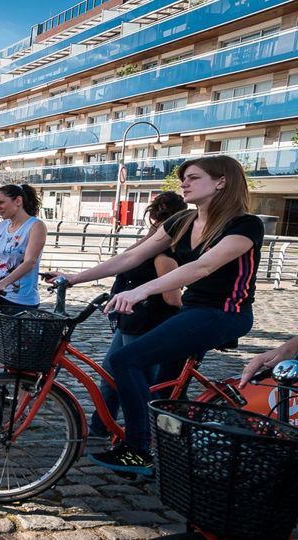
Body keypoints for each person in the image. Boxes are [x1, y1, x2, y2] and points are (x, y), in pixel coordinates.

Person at [51, 155, 263, 476]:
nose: (184, 184)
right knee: (163, 387)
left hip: (224, 314)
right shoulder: (183, 221)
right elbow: (132, 256)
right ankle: (172, 443)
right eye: (183, 178)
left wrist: (142, 290)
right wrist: (73, 277)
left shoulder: (244, 224)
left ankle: (139, 450)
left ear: (221, 182)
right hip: (191, 311)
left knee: (126, 360)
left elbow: (201, 266)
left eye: (192, 177)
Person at [89, 192, 187, 439]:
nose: (154, 222)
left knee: (138, 382)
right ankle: (102, 426)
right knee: (111, 374)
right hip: (131, 320)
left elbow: (172, 299)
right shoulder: (152, 245)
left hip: (147, 323)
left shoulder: (164, 255)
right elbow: (126, 258)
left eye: (156, 215)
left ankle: (146, 437)